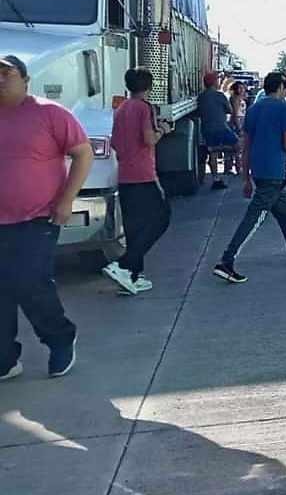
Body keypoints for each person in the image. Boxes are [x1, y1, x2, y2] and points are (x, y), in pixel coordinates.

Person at [0, 54, 90, 379]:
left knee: (30, 282)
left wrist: (66, 200)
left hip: (38, 217)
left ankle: (60, 338)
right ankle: (5, 359)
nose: (0, 79)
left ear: (25, 80)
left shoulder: (49, 113)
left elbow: (83, 154)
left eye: (6, 73)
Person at [212, 71, 286, 284]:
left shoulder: (253, 110)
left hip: (259, 171)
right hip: (274, 172)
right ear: (280, 87)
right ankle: (227, 261)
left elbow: (246, 146)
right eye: (285, 88)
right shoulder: (284, 109)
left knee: (285, 212)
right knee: (253, 218)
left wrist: (246, 178)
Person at [103, 68, 173, 295]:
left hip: (124, 175)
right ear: (149, 87)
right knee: (161, 218)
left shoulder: (121, 109)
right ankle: (124, 264)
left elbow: (115, 142)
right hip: (144, 174)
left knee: (134, 226)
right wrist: (162, 130)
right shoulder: (145, 108)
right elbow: (149, 139)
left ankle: (133, 276)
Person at [198, 72, 237, 190]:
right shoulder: (220, 96)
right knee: (238, 145)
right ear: (214, 82)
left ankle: (216, 179)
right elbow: (230, 110)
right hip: (221, 127)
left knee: (213, 156)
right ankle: (215, 149)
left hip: (206, 128)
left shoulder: (201, 97)